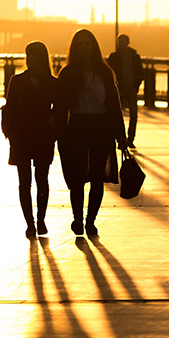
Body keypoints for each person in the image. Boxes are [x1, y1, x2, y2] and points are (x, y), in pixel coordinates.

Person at [58, 29, 127, 236]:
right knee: (77, 178)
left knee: (97, 177)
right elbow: (61, 105)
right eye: (80, 44)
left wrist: (120, 135)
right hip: (77, 127)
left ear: (94, 47)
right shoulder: (68, 73)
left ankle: (91, 221)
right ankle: (77, 219)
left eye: (88, 44)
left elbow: (114, 106)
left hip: (100, 127)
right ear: (75, 48)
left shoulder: (105, 73)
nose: (84, 48)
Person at [2, 41, 62, 238]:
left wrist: (53, 128)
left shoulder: (53, 83)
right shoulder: (17, 81)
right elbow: (9, 108)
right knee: (24, 182)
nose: (31, 60)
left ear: (42, 58)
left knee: (42, 180)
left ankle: (41, 219)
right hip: (21, 137)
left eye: (34, 55)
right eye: (28, 55)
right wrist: (9, 132)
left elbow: (61, 109)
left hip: (43, 137)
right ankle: (30, 223)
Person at [107, 34, 144, 149]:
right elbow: (109, 73)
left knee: (134, 114)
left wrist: (136, 86)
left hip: (131, 89)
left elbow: (141, 72)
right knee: (117, 114)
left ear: (128, 42)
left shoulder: (135, 56)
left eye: (123, 42)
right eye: (119, 42)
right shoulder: (114, 57)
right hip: (119, 90)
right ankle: (118, 138)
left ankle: (130, 139)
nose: (121, 44)